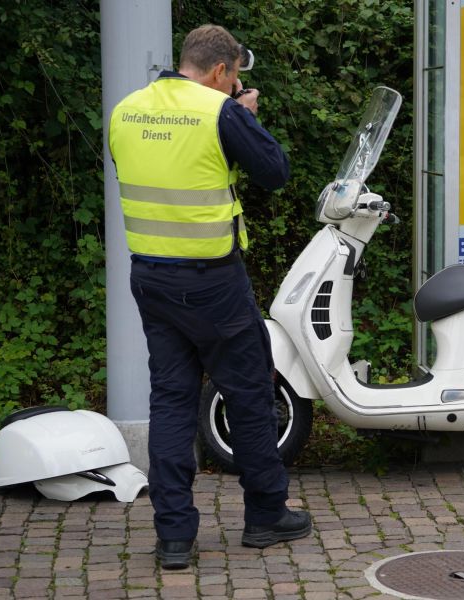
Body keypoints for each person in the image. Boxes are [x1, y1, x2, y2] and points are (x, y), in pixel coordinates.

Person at [108, 24, 312, 570]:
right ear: (221, 71)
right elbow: (275, 172)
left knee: (171, 401)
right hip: (213, 283)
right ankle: (266, 514)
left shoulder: (126, 110)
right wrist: (243, 117)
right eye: (235, 76)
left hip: (151, 279)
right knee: (247, 393)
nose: (235, 84)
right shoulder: (217, 111)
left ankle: (174, 536)